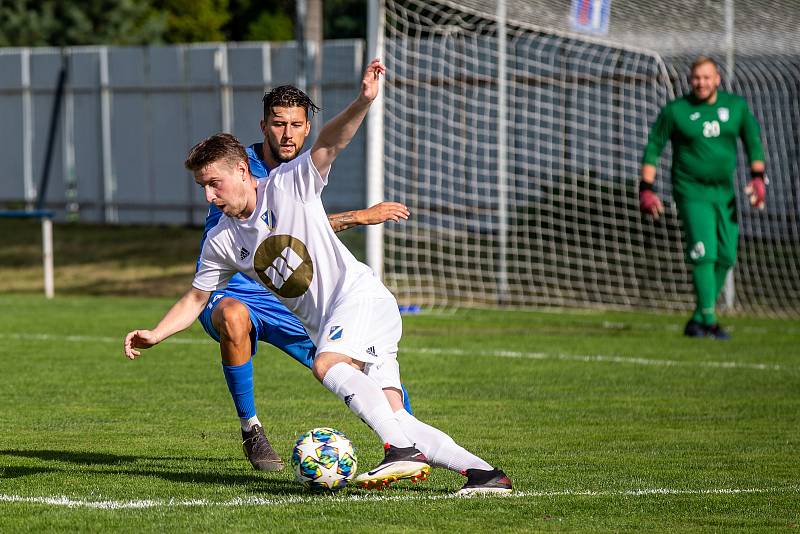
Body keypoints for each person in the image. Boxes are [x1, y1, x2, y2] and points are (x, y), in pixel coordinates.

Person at [124, 59, 512, 495]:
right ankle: (484, 474)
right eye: (203, 188)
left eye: (214, 183)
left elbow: (330, 143)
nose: (210, 195)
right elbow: (197, 299)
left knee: (327, 364)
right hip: (336, 317)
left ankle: (400, 452)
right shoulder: (221, 239)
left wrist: (363, 101)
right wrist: (157, 333)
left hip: (360, 299)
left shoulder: (289, 183)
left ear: (241, 171)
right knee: (395, 412)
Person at [196, 84, 412, 473]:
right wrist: (357, 217)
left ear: (308, 127)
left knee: (354, 365)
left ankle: (405, 442)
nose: (287, 134)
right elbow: (268, 241)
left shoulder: (304, 168)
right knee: (232, 315)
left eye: (296, 125)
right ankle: (251, 428)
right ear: (263, 126)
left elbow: (304, 233)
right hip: (242, 289)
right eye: (279, 124)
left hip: (292, 294)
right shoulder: (236, 171)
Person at [639, 56, 766, 340]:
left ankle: (698, 317)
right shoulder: (677, 111)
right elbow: (653, 147)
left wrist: (758, 178)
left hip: (724, 192)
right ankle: (709, 320)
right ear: (690, 80)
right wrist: (646, 189)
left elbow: (753, 142)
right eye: (697, 78)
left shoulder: (735, 108)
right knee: (704, 253)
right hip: (690, 191)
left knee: (726, 255)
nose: (701, 83)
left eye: (707, 77)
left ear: (717, 79)